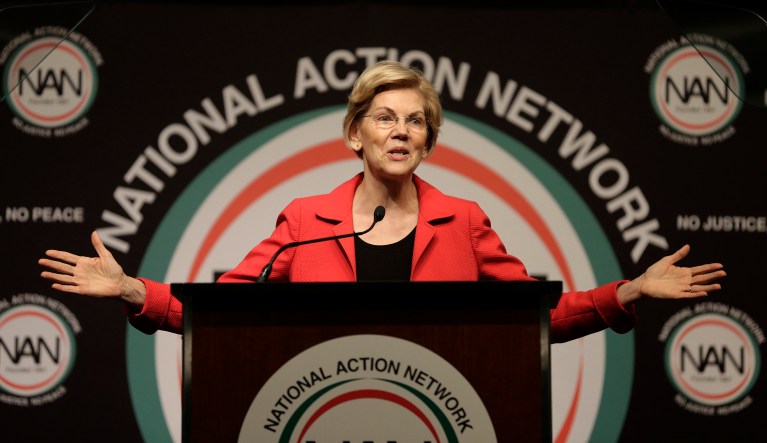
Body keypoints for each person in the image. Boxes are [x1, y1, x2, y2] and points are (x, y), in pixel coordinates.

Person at [38, 60, 726, 342]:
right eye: (385, 117)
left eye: (416, 120)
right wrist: (134, 288)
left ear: (429, 140)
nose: (401, 131)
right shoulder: (304, 219)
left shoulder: (466, 218)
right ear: (354, 132)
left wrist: (628, 290)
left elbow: (535, 317)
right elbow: (224, 311)